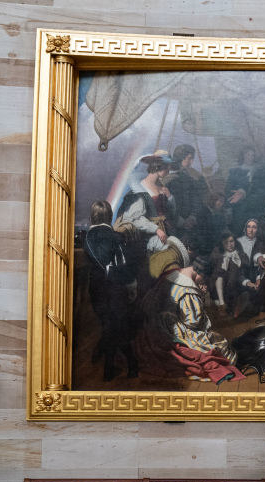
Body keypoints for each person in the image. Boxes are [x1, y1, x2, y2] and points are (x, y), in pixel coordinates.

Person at [139, 236, 243, 383]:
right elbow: (193, 322)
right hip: (170, 329)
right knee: (223, 349)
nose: (204, 284)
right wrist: (200, 295)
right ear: (200, 274)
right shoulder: (189, 290)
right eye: (204, 280)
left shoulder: (173, 274)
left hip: (154, 324)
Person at [83, 200, 139, 381]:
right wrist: (131, 285)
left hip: (97, 288)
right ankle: (131, 365)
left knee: (108, 326)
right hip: (115, 287)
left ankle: (109, 368)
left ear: (93, 216)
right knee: (117, 327)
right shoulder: (117, 237)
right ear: (109, 216)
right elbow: (124, 266)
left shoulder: (87, 238)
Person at [115, 149, 177, 253]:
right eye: (166, 166)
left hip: (167, 231)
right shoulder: (140, 189)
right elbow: (134, 218)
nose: (168, 170)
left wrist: (170, 197)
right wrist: (156, 229)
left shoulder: (162, 187)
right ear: (157, 166)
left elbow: (172, 213)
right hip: (150, 235)